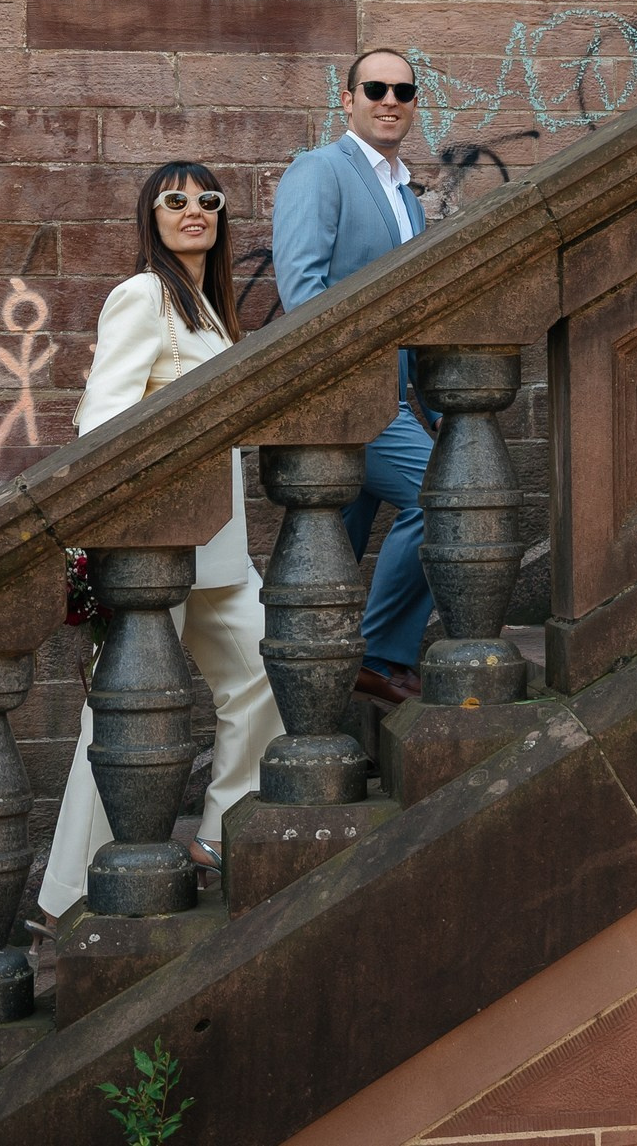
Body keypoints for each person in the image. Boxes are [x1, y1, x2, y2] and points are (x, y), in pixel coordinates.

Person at [36, 161, 282, 918]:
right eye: (173, 200)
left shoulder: (208, 312)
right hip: (158, 552)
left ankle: (220, 830)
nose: (193, 210)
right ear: (152, 215)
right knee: (116, 721)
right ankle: (70, 896)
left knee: (268, 668)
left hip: (220, 552)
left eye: (206, 199)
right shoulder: (143, 295)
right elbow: (103, 423)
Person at [270, 48, 434, 709]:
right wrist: (341, 393)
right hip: (347, 398)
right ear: (347, 99)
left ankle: (320, 682)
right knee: (444, 494)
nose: (389, 99)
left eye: (403, 89)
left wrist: (433, 403)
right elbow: (303, 288)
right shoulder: (320, 170)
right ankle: (378, 653)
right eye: (375, 87)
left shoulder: (407, 198)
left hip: (392, 396)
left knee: (330, 556)